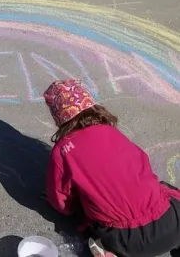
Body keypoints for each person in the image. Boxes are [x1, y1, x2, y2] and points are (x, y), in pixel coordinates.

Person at [43, 79, 180, 257]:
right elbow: (141, 165)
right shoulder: (112, 132)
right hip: (171, 224)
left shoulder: (63, 151)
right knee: (166, 189)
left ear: (58, 116)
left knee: (91, 213)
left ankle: (107, 251)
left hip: (124, 241)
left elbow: (62, 204)